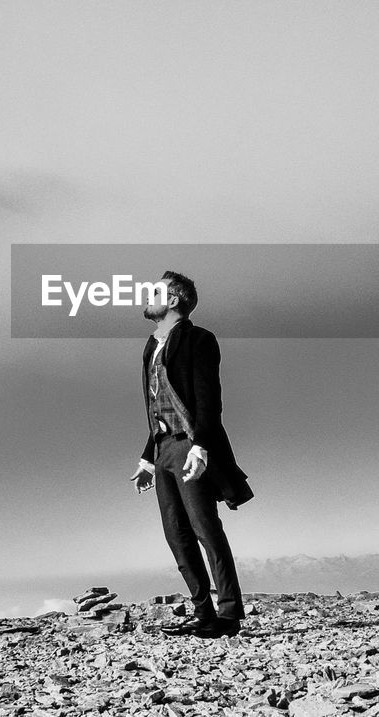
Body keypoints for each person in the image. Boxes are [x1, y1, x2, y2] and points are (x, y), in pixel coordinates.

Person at [129, 271, 253, 638]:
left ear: (173, 300)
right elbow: (156, 406)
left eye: (154, 291)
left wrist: (201, 446)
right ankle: (204, 612)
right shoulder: (151, 345)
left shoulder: (199, 339)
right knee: (176, 534)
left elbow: (208, 399)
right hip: (164, 448)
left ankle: (229, 614)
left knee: (205, 528)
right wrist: (147, 458)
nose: (146, 295)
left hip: (189, 444)